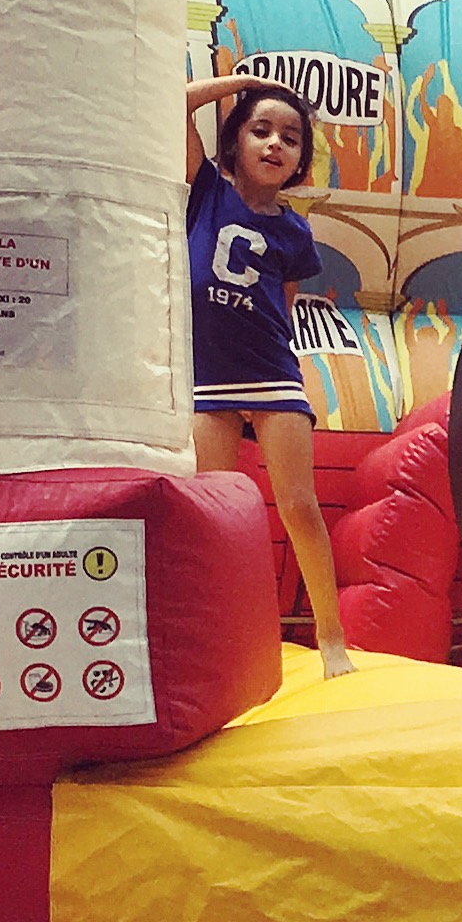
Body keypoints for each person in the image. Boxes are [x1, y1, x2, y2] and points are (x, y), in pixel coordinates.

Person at [184, 72, 354, 677]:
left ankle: (331, 638)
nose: (275, 143)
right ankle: (214, 637)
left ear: (301, 160)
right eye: (261, 130)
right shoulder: (206, 190)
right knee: (212, 511)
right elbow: (173, 103)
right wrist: (245, 82)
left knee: (299, 507)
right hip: (208, 376)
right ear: (235, 141)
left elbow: (280, 305)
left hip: (271, 375)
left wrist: (287, 376)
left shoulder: (294, 229)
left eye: (290, 137)